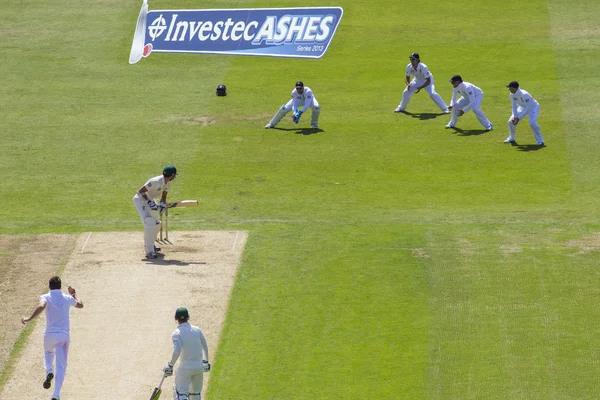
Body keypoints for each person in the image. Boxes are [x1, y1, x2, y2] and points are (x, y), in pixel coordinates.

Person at [21, 276, 84, 400]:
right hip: (63, 336)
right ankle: (56, 394)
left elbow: (42, 306)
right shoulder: (67, 298)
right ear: (60, 286)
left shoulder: (46, 297)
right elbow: (81, 305)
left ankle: (49, 371)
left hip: (49, 334)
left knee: (48, 352)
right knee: (61, 365)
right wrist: (74, 294)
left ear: (49, 286)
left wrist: (29, 318)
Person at [163, 307, 210, 400]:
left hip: (185, 368)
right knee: (195, 394)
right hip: (199, 367)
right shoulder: (197, 330)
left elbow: (177, 350)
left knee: (181, 393)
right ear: (188, 317)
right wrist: (205, 361)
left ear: (176, 319)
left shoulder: (176, 333)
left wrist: (170, 365)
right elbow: (204, 346)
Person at [132, 165, 177, 259]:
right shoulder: (155, 181)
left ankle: (150, 243)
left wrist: (162, 204)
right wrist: (148, 202)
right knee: (149, 222)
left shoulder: (167, 183)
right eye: (174, 175)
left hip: (150, 200)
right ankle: (149, 251)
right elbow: (140, 192)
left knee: (157, 224)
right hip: (141, 200)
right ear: (171, 175)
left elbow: (163, 197)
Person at [504, 81, 544, 145]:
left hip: (533, 107)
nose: (509, 89)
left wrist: (518, 118)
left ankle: (540, 140)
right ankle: (512, 138)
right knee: (510, 121)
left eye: (510, 87)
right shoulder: (511, 95)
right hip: (522, 107)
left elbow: (528, 108)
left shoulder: (525, 94)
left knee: (532, 123)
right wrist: (515, 117)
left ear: (515, 88)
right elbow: (514, 107)